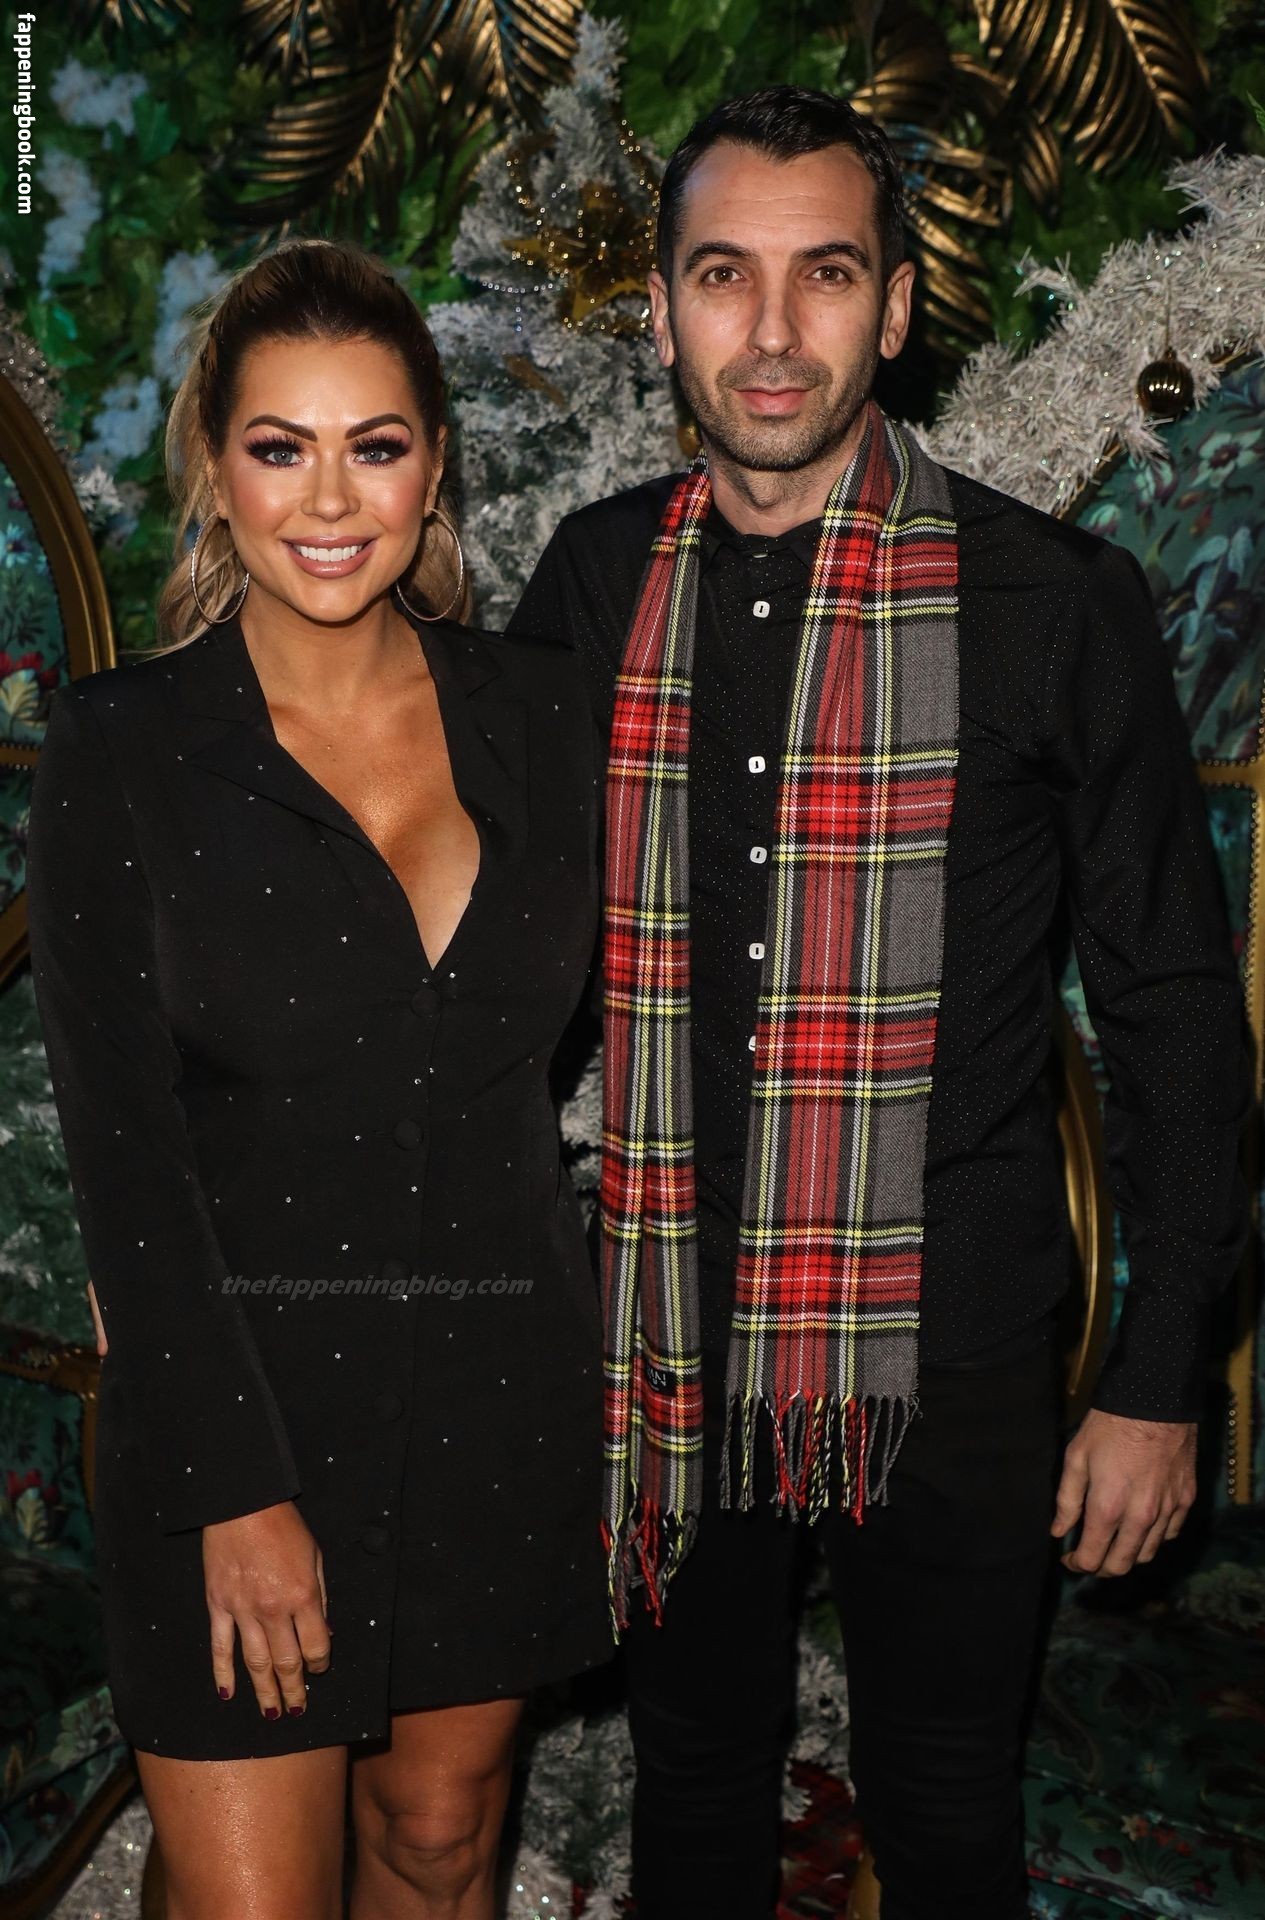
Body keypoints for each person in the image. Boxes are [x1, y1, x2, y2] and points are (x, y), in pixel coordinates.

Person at [507, 87, 1255, 1920]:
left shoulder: (1051, 602)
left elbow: (1173, 1009)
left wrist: (1158, 1383)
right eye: (722, 275)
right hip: (664, 1325)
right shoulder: (592, 582)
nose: (771, 332)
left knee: (942, 1814)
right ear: (660, 309)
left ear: (896, 306)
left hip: (960, 1339)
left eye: (824, 274)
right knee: (689, 1788)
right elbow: (487, 971)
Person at [26, 236, 610, 1920]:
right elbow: (125, 1160)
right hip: (235, 1404)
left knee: (439, 1843)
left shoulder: (548, 717)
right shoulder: (124, 750)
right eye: (280, 447)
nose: (331, 499)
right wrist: (234, 1491)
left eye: (377, 444)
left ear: (435, 467)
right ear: (216, 473)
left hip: (497, 1385)